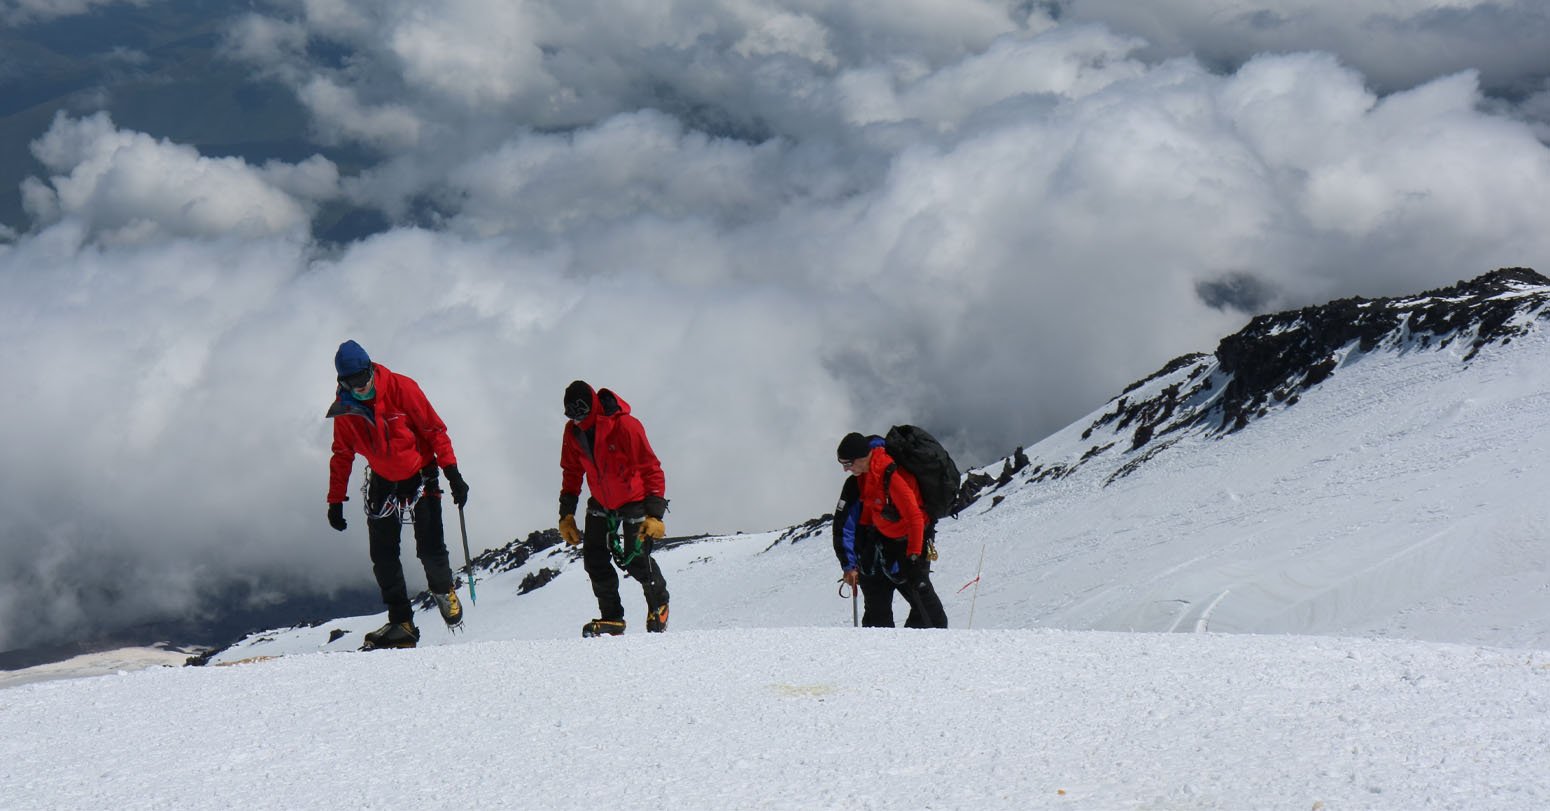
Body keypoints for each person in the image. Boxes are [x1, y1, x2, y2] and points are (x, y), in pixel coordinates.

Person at [326, 340, 469, 650]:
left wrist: (452, 472)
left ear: (371, 369)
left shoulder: (402, 389)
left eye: (363, 377)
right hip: (383, 480)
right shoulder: (346, 408)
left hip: (420, 473)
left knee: (430, 549)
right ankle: (401, 622)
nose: (359, 386)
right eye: (351, 382)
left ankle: (443, 590)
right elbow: (342, 453)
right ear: (342, 382)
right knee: (383, 555)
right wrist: (335, 500)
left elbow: (434, 430)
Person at [557, 380, 670, 636]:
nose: (577, 419)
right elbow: (572, 472)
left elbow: (650, 467)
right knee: (594, 559)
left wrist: (655, 514)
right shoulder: (573, 433)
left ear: (593, 405)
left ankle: (659, 604)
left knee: (636, 558)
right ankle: (612, 617)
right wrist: (566, 514)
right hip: (601, 501)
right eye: (571, 414)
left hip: (634, 498)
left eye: (581, 411)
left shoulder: (625, 426)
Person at [836, 431, 948, 628]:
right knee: (917, 611)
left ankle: (910, 644)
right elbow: (844, 526)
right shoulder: (862, 479)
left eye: (847, 463)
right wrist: (849, 565)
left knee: (927, 613)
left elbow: (915, 517)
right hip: (882, 551)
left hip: (906, 550)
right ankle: (898, 645)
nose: (845, 469)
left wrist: (913, 555)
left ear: (861, 457)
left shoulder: (891, 475)